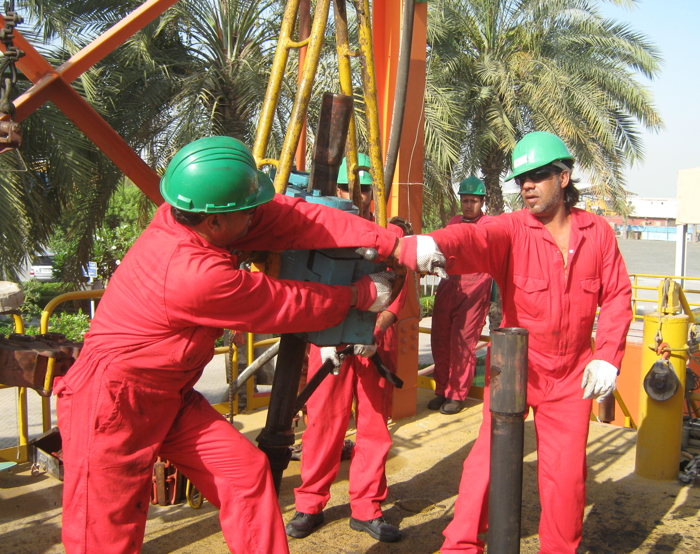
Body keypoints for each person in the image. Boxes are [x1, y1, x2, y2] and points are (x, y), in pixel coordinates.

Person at [54, 137, 402, 554]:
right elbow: (283, 303)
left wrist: (391, 243)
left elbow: (292, 218)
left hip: (169, 395)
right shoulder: (192, 275)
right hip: (112, 403)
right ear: (215, 222)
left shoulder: (194, 215)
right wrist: (360, 295)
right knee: (106, 534)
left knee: (245, 475)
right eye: (248, 210)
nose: (257, 216)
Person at [394, 131, 632, 553]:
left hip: (572, 375)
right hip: (517, 366)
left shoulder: (597, 234)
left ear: (564, 177)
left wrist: (608, 355)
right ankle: (461, 545)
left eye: (537, 175)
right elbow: (474, 238)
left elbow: (615, 296)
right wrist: (435, 242)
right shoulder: (512, 230)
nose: (526, 185)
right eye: (521, 177)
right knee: (486, 461)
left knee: (566, 476)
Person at [286, 154, 410, 543]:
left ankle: (367, 507)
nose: (354, 195)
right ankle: (309, 504)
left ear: (374, 192)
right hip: (328, 337)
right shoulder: (320, 227)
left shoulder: (391, 232)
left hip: (373, 339)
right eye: (345, 189)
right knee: (323, 423)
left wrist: (376, 328)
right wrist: (318, 334)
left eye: (363, 189)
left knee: (374, 425)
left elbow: (401, 279)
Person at [428, 176, 492, 415]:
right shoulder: (454, 222)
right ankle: (442, 390)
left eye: (473, 201)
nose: (468, 205)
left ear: (482, 201)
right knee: (440, 338)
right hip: (449, 283)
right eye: (465, 200)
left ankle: (456, 395)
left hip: (475, 286)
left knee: (463, 342)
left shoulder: (487, 225)